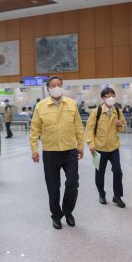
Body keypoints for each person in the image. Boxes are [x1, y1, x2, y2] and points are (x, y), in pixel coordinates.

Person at [30, 76, 84, 229]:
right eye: (53, 85)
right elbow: (34, 130)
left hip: (69, 150)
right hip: (50, 152)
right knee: (53, 187)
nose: (56, 87)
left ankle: (67, 211)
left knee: (73, 182)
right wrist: (34, 150)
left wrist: (80, 145)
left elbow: (78, 127)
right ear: (48, 88)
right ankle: (56, 215)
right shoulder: (41, 106)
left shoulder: (71, 103)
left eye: (59, 85)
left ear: (62, 86)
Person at [85, 87, 126, 208]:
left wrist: (120, 125)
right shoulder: (96, 112)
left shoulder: (118, 111)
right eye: (107, 96)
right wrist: (91, 144)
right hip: (98, 148)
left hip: (114, 148)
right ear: (103, 98)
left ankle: (117, 196)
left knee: (117, 171)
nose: (110, 98)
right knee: (99, 172)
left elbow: (123, 128)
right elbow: (89, 130)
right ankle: (101, 194)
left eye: (112, 95)